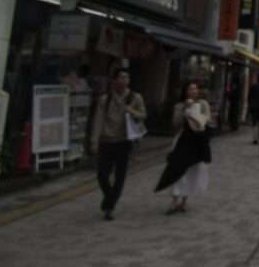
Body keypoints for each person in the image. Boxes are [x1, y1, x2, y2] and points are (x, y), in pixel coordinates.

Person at [89, 68, 147, 221]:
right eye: (121, 77)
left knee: (120, 176)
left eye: (127, 77)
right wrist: (94, 141)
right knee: (102, 174)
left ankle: (109, 207)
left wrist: (131, 111)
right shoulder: (105, 99)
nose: (124, 80)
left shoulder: (135, 97)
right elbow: (98, 120)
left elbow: (143, 115)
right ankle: (109, 197)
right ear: (114, 80)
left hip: (124, 141)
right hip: (106, 141)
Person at [156, 81, 212, 214]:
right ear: (185, 91)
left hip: (198, 142)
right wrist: (184, 111)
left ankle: (184, 202)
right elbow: (175, 123)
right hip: (182, 141)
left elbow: (207, 120)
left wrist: (196, 114)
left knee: (193, 172)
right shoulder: (179, 105)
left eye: (195, 88)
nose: (193, 91)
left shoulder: (203, 104)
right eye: (190, 89)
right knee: (177, 169)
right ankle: (174, 200)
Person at [248, 73, 259, 144]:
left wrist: (250, 105)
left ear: (257, 79)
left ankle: (254, 138)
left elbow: (249, 97)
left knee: (254, 123)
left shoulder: (253, 86)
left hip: (254, 107)